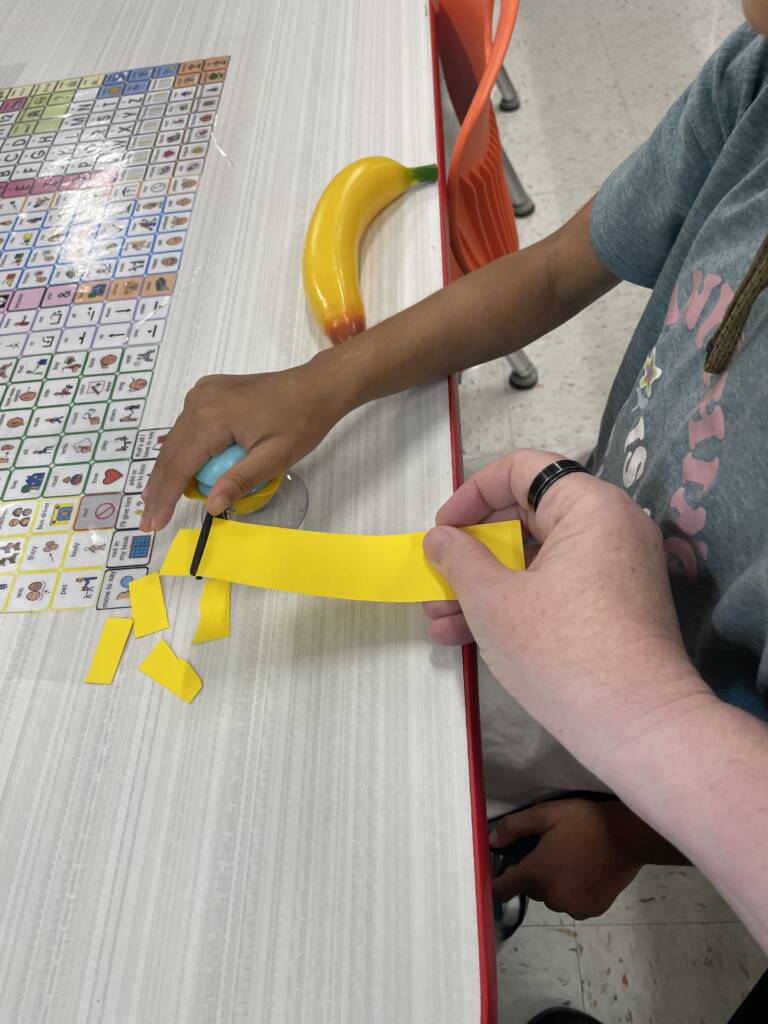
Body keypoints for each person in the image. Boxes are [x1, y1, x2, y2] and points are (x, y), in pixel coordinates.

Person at [142, 0, 768, 958]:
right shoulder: (754, 78)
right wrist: (326, 382)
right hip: (580, 597)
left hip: (678, 746)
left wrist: (641, 828)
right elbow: (559, 268)